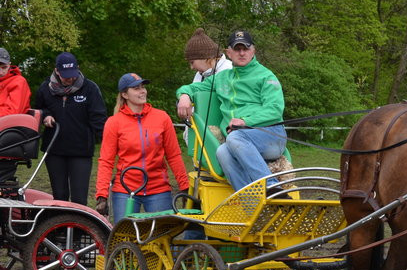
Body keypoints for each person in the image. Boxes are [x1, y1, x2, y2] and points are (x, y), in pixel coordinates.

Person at [175, 30, 286, 192]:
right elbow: (192, 88)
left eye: (246, 48)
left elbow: (274, 110)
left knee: (234, 138)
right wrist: (184, 96)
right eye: (237, 49)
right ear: (229, 53)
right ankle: (250, 201)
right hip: (237, 139)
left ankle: (272, 187)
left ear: (253, 50)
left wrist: (245, 121)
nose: (242, 53)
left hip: (271, 135)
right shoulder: (221, 78)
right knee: (222, 151)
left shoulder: (266, 76)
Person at [95, 73, 189, 223]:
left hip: (158, 188)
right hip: (125, 190)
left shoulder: (162, 118)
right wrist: (102, 195)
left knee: (162, 234)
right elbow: (106, 161)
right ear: (125, 94)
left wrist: (185, 186)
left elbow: (174, 155)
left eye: (143, 87)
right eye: (136, 88)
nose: (142, 91)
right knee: (125, 235)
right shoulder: (114, 122)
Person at [34, 52, 107, 205]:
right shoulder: (45, 88)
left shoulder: (90, 88)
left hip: (81, 151)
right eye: (65, 75)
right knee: (59, 196)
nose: (70, 79)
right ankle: (60, 221)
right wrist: (45, 115)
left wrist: (108, 142)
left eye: (72, 74)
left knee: (79, 199)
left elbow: (99, 119)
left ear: (77, 68)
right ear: (56, 71)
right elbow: (38, 109)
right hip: (54, 150)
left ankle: (78, 221)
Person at [0, 48, 31, 116]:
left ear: (9, 64)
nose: (1, 72)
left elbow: (12, 112)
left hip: (11, 121)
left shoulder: (18, 81)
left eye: (4, 67)